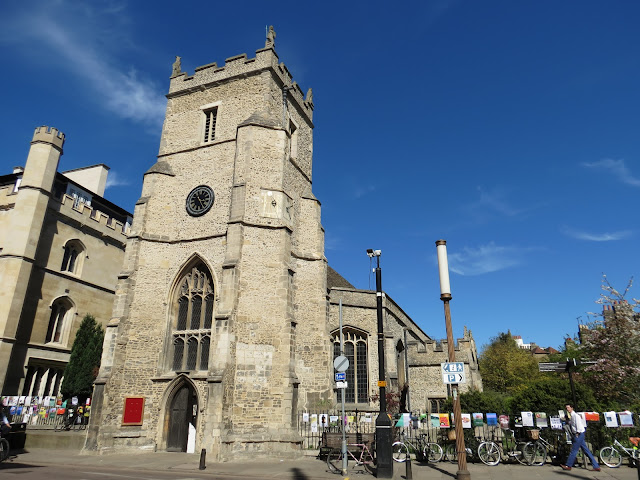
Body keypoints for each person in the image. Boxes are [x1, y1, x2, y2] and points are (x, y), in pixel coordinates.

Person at [560, 403, 600, 471]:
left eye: (568, 407)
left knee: (574, 450)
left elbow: (578, 425)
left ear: (572, 408)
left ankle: (568, 465)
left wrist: (577, 434)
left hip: (578, 434)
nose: (567, 409)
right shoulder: (572, 416)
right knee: (586, 450)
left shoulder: (575, 416)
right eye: (566, 408)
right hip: (579, 434)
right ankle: (596, 466)